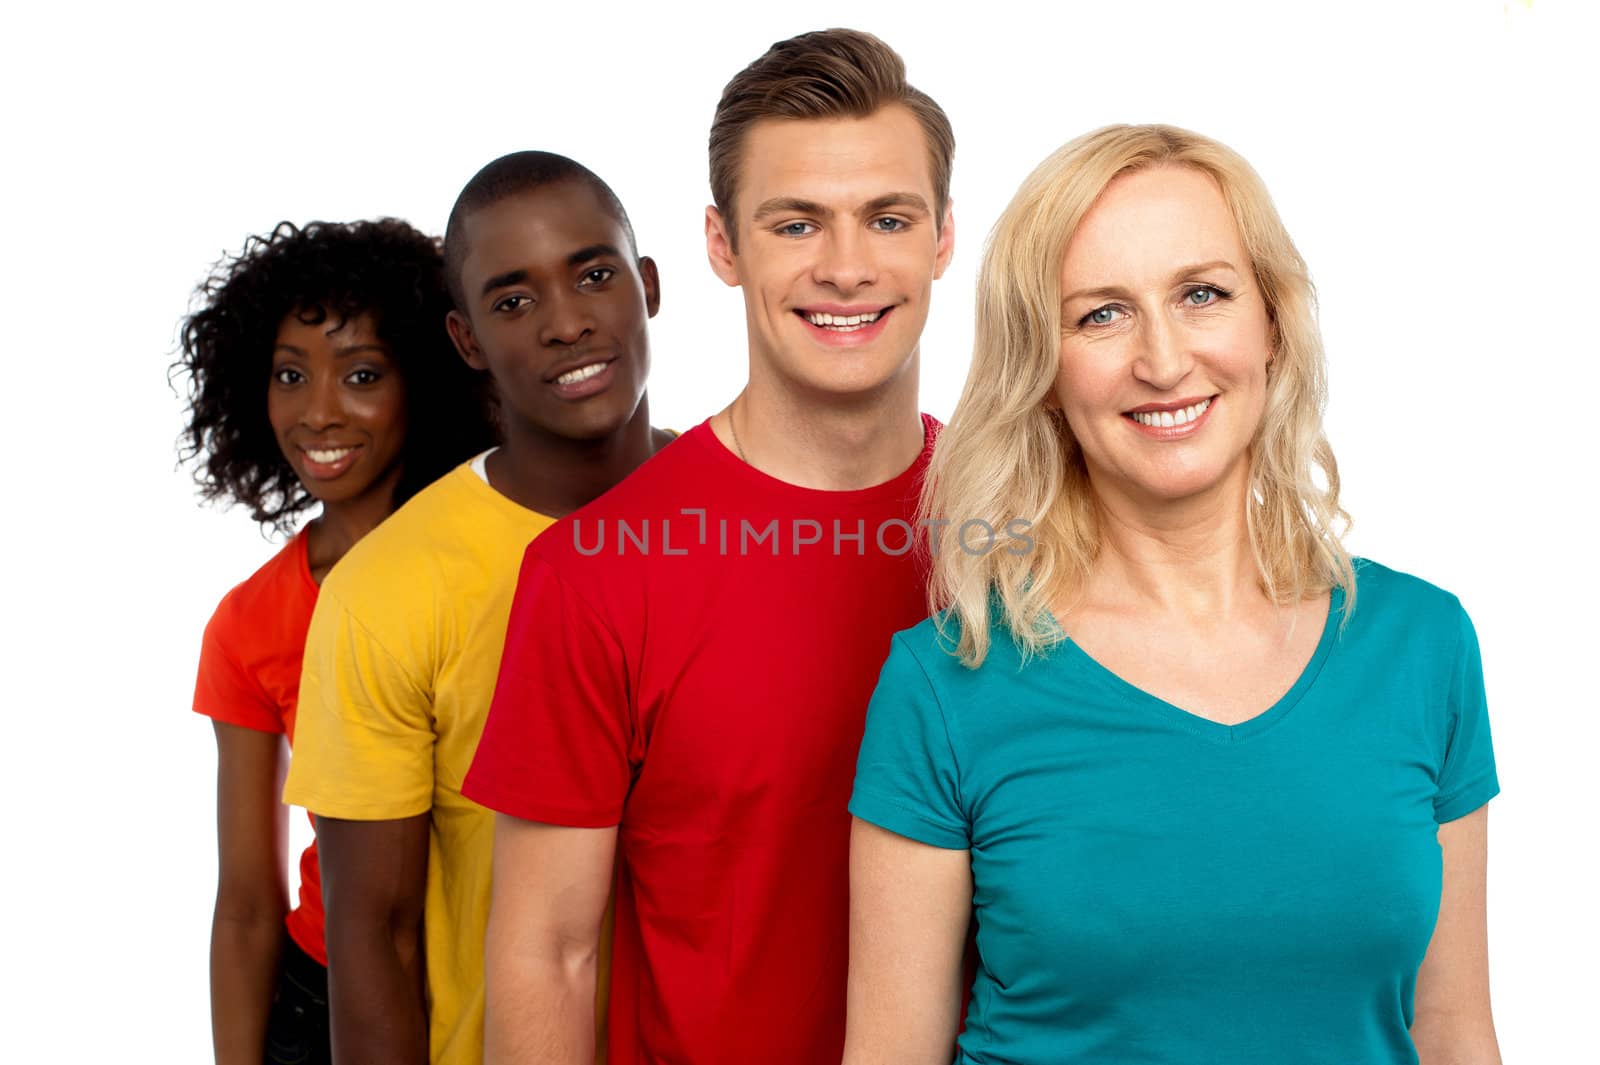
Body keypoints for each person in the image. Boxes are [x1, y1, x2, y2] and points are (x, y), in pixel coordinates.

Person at [844, 124, 1502, 1065]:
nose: (1162, 359)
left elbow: (1453, 1034)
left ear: (1270, 324)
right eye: (1101, 315)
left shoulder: (1423, 646)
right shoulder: (948, 684)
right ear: (1043, 372)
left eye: (1202, 294)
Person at [461, 28, 956, 1065]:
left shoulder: (1033, 529)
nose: (847, 267)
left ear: (942, 238)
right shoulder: (594, 574)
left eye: (888, 218)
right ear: (722, 247)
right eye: (795, 224)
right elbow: (546, 955)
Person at [280, 152, 670, 1065]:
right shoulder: (387, 589)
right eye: (513, 301)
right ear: (467, 341)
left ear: (647, 286)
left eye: (595, 275)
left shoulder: (746, 518)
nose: (566, 323)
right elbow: (375, 937)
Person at [178, 218, 495, 1065]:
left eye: (361, 374)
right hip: (328, 1000)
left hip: (508, 980)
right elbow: (248, 899)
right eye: (289, 375)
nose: (319, 411)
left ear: (422, 379)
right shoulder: (250, 620)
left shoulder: (502, 549)